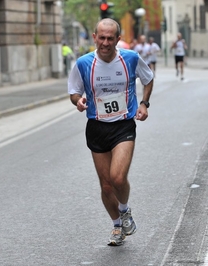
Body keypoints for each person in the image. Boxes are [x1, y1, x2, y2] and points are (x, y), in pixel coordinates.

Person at [67, 18, 154, 246]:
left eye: (110, 38)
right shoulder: (84, 63)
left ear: (117, 39)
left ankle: (124, 211)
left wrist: (144, 103)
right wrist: (78, 101)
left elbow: (148, 79)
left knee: (117, 178)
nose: (105, 42)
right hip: (96, 126)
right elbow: (73, 92)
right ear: (95, 37)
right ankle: (117, 226)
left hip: (123, 124)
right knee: (106, 186)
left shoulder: (131, 59)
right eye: (101, 37)